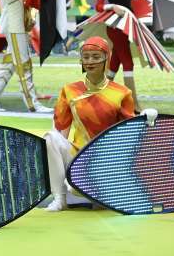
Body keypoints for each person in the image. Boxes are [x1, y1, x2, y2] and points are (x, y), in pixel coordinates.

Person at [45, 36, 155, 211]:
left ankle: (103, 190)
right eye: (86, 57)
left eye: (96, 57)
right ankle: (60, 198)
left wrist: (144, 119)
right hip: (77, 154)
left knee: (99, 206)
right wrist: (58, 155)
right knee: (50, 137)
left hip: (105, 158)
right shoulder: (69, 90)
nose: (90, 61)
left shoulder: (122, 92)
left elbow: (129, 134)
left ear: (107, 59)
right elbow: (61, 130)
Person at [94, 0, 147, 112]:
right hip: (116, 27)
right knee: (128, 63)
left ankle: (98, 98)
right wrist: (112, 7)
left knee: (114, 65)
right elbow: (98, 6)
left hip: (127, 25)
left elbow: (126, 2)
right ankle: (135, 105)